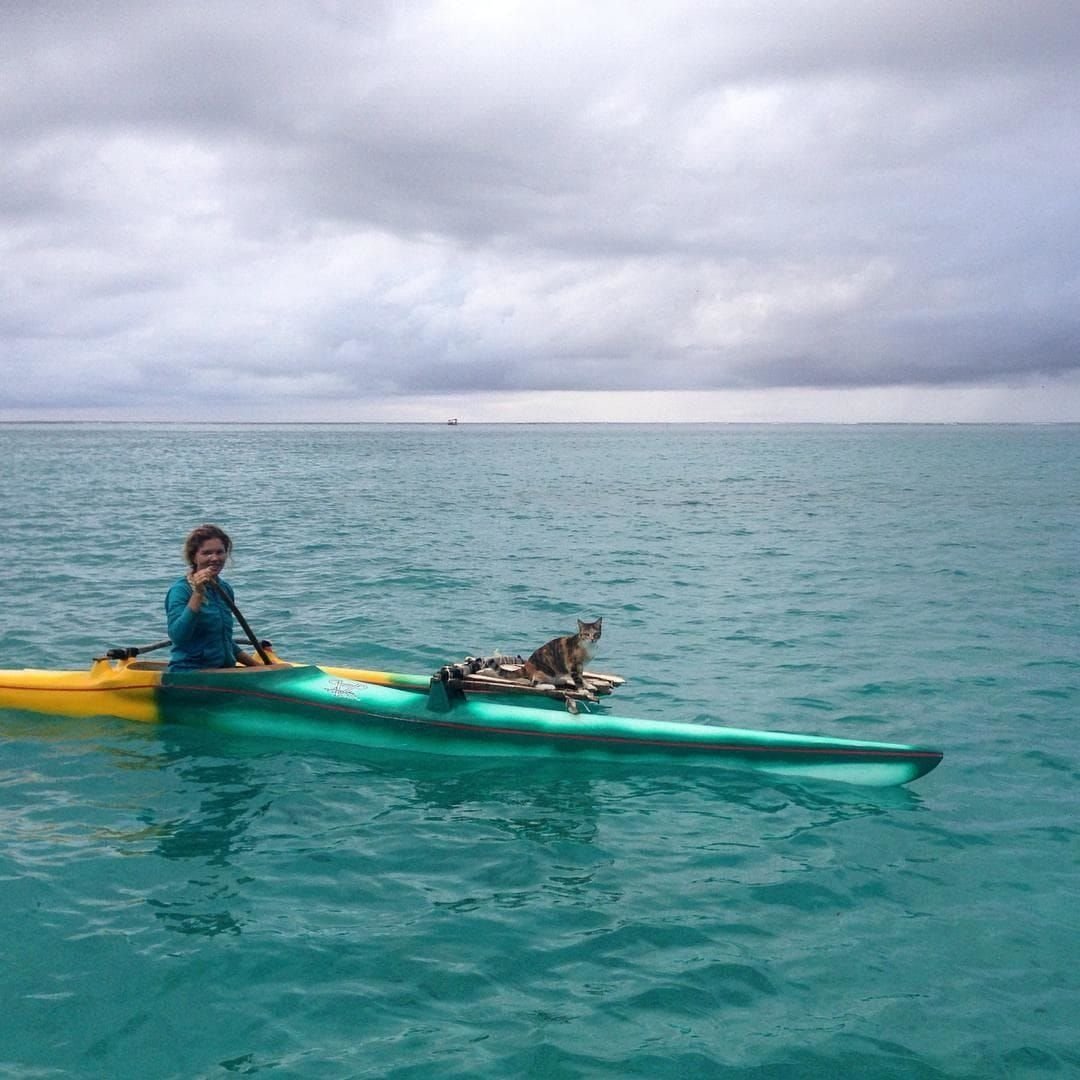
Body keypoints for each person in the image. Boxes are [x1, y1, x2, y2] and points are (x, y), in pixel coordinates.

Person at [166, 524, 261, 671]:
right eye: (207, 553)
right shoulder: (180, 590)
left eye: (220, 552)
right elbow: (178, 637)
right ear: (194, 556)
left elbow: (223, 641)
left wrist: (263, 667)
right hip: (190, 672)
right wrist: (198, 593)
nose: (215, 558)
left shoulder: (225, 589)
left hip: (223, 671)